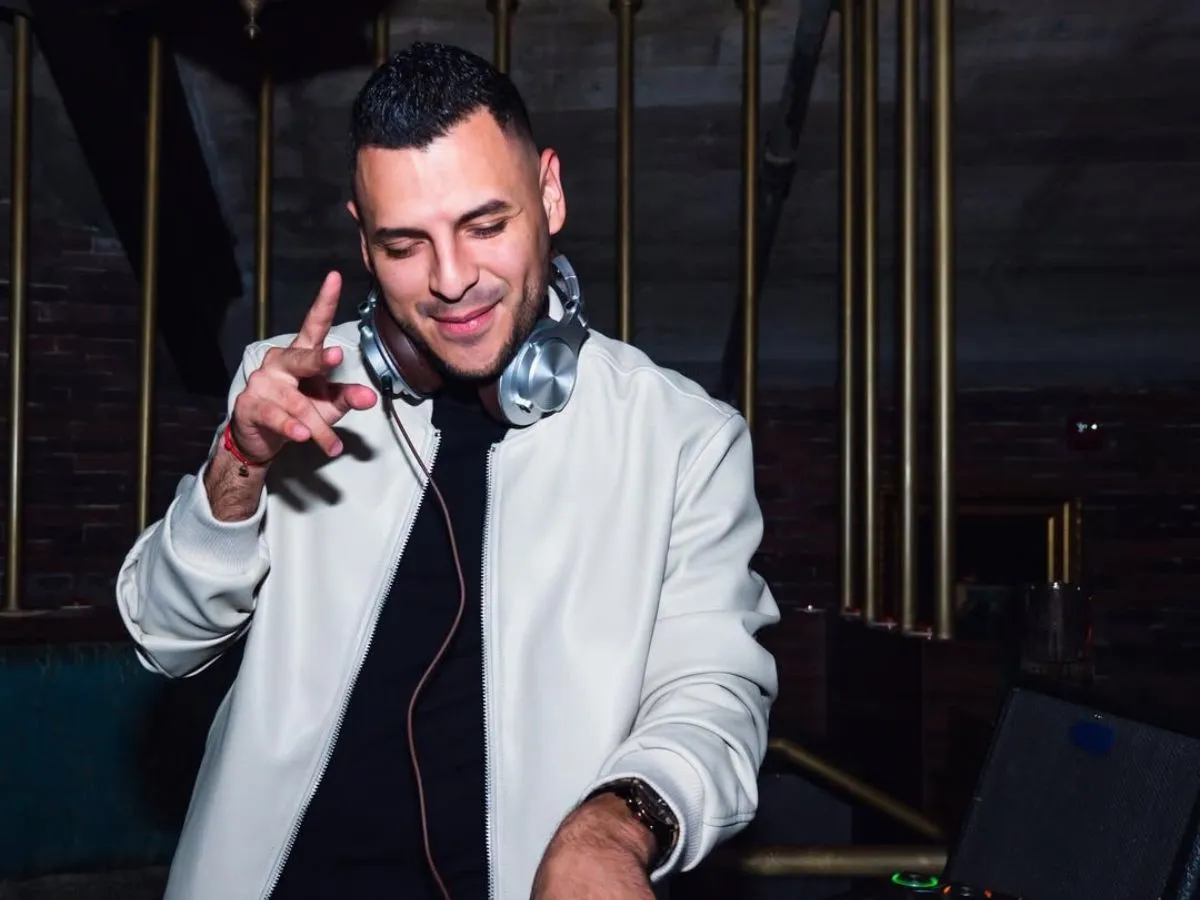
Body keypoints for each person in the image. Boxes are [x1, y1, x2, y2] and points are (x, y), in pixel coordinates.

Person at [116, 41, 779, 900]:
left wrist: (614, 827)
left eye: (486, 226)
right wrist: (238, 466)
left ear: (550, 193)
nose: (453, 280)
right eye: (405, 244)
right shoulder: (284, 390)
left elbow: (714, 696)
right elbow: (165, 638)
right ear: (364, 241)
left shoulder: (683, 439)